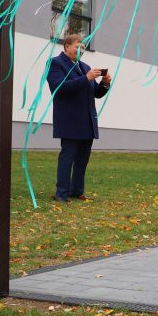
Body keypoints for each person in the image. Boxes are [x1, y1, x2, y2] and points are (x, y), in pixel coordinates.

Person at [46, 34, 112, 202]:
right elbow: (59, 88)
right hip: (70, 120)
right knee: (67, 157)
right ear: (67, 46)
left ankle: (77, 191)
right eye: (77, 47)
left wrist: (104, 83)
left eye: (83, 48)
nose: (80, 51)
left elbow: (95, 93)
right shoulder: (55, 63)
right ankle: (62, 193)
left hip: (87, 121)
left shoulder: (84, 66)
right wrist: (86, 78)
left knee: (83, 159)